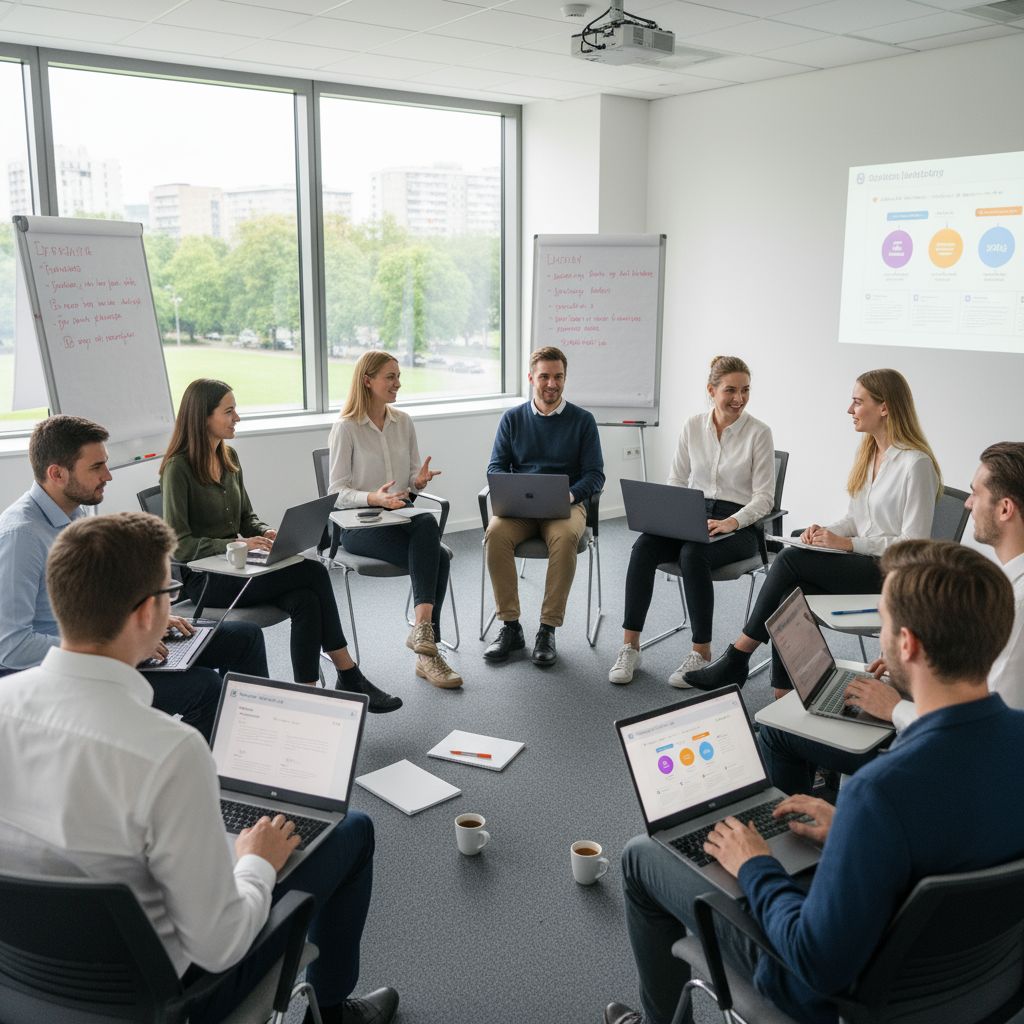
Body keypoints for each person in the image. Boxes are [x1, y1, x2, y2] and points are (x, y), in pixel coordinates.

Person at [0, 512, 398, 1024]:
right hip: (172, 999)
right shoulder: (169, 752)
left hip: (23, 981)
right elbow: (220, 945)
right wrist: (256, 860)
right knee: (354, 829)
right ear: (148, 613)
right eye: (170, 589)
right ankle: (336, 1011)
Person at [606, 539, 1024, 1024]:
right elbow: (954, 830)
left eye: (884, 621)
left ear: (906, 644)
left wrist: (755, 865)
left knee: (641, 855)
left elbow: (815, 963)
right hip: (976, 985)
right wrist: (851, 828)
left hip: (833, 993)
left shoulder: (882, 791)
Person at [760, 441, 1024, 794]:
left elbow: (989, 735)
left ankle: (819, 820)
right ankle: (829, 779)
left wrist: (896, 708)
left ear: (1005, 508)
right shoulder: (1008, 581)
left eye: (976, 493)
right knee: (841, 700)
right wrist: (916, 663)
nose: (967, 503)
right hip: (949, 722)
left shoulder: (1017, 605)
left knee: (776, 734)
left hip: (957, 763)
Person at [0, 415, 267, 742]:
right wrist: (113, 648)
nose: (108, 476)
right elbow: (11, 646)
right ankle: (215, 785)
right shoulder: (21, 537)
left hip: (106, 644)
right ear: (56, 473)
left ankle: (251, 754)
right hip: (75, 671)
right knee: (205, 688)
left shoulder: (71, 513)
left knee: (245, 638)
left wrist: (150, 617)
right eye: (96, 467)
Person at [684, 368, 940, 694]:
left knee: (789, 561)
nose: (850, 410)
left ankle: (738, 655)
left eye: (857, 402)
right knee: (791, 594)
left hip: (892, 576)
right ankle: (783, 695)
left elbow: (913, 545)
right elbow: (855, 517)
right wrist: (825, 531)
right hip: (862, 564)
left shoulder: (915, 464)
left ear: (885, 408)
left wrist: (847, 543)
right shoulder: (870, 454)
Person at [160, 378, 401, 713]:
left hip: (242, 569)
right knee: (314, 572)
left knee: (305, 600)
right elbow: (177, 544)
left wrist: (267, 531)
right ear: (203, 417)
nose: (237, 418)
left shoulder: (229, 457)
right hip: (207, 581)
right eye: (229, 411)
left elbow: (247, 517)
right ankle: (349, 673)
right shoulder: (178, 469)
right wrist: (236, 543)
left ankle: (308, 695)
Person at [608, 356, 774, 687]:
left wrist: (732, 522)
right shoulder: (692, 426)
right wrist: (669, 516)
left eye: (745, 390)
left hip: (740, 526)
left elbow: (765, 498)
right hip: (694, 513)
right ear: (711, 390)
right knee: (643, 546)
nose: (738, 399)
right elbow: (676, 479)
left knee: (692, 554)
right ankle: (630, 646)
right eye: (730, 390)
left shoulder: (759, 433)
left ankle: (701, 652)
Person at [328, 350, 461, 689]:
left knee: (432, 539)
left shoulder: (404, 422)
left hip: (399, 517)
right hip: (358, 525)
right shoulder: (346, 428)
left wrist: (417, 482)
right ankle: (428, 652)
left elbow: (411, 479)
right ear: (367, 380)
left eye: (398, 377)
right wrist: (374, 497)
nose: (397, 383)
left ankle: (423, 640)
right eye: (390, 377)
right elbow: (337, 492)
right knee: (438, 556)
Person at [482, 345, 605, 668]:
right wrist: (515, 492)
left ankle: (547, 629)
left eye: (559, 377)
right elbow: (496, 468)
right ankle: (511, 627)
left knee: (565, 539)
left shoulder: (583, 421)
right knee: (495, 534)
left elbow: (595, 475)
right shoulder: (512, 419)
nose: (552, 384)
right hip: (520, 509)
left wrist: (569, 494)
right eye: (545, 377)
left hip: (565, 507)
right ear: (531, 378)